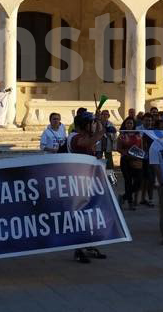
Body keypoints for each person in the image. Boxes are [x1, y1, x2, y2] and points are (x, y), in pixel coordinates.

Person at [68, 112, 108, 263]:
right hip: (78, 183)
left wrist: (98, 124)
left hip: (88, 181)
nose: (92, 126)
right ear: (84, 125)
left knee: (90, 216)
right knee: (80, 217)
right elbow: (88, 143)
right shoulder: (74, 137)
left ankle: (90, 245)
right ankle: (78, 250)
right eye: (90, 123)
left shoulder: (84, 137)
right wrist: (101, 129)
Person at [116, 121, 142, 210]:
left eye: (131, 123)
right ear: (125, 124)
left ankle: (124, 197)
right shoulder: (122, 135)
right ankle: (130, 202)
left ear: (133, 124)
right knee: (128, 181)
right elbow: (118, 148)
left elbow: (141, 147)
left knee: (138, 182)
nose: (129, 125)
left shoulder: (138, 135)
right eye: (128, 123)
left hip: (136, 160)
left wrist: (139, 156)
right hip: (125, 160)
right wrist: (126, 153)